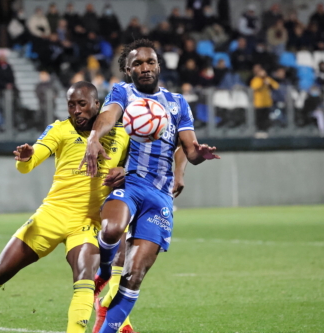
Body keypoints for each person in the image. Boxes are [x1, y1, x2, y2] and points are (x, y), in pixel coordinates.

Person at [0, 82, 130, 333]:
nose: (76, 111)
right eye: (71, 105)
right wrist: (26, 157)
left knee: (85, 278)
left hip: (87, 223)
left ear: (97, 105)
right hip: (51, 216)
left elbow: (139, 173)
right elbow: (29, 163)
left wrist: (126, 173)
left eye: (82, 104)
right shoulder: (60, 129)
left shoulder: (121, 135)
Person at [80, 39, 220, 333]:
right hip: (128, 181)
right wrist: (93, 138)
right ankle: (104, 272)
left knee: (135, 274)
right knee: (111, 229)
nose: (145, 68)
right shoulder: (123, 92)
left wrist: (199, 155)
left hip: (159, 194)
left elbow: (189, 149)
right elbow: (107, 117)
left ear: (158, 65)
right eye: (137, 64)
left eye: (150, 62)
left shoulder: (178, 103)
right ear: (128, 71)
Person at [250, 68, 279, 136]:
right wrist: (263, 83)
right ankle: (259, 131)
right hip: (259, 103)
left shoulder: (268, 79)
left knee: (266, 117)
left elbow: (276, 86)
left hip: (267, 102)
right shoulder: (256, 80)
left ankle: (266, 130)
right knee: (259, 118)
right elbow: (254, 87)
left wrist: (269, 84)